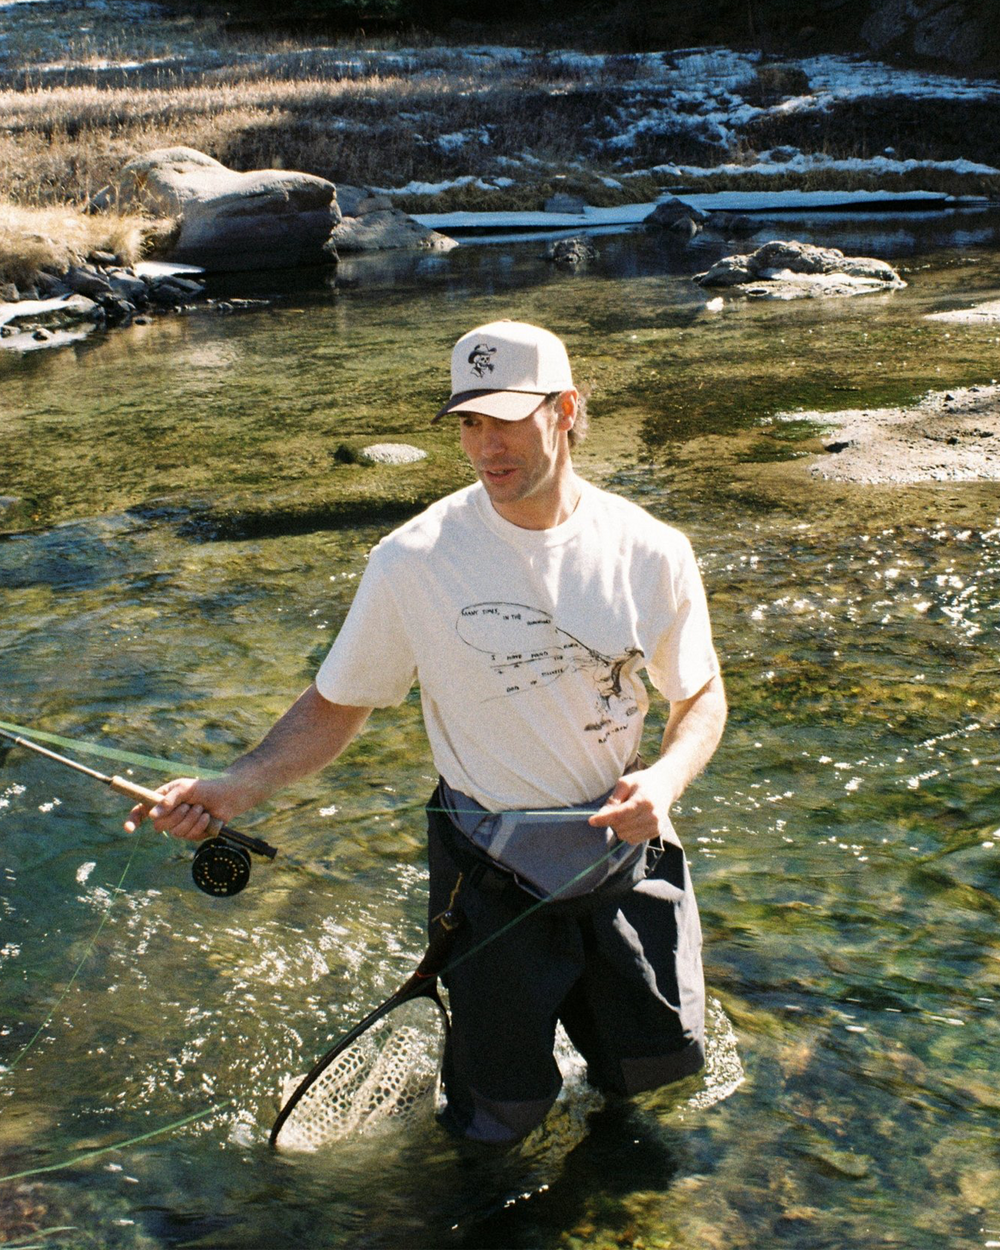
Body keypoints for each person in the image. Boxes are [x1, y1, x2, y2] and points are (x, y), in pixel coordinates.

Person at [127, 320, 727, 1145]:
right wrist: (239, 785)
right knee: (500, 1118)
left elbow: (700, 695)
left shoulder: (650, 551)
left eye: (506, 419)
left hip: (626, 854)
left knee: (656, 1066)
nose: (485, 446)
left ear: (565, 410)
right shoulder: (412, 560)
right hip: (490, 871)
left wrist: (664, 781)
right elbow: (340, 702)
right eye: (469, 422)